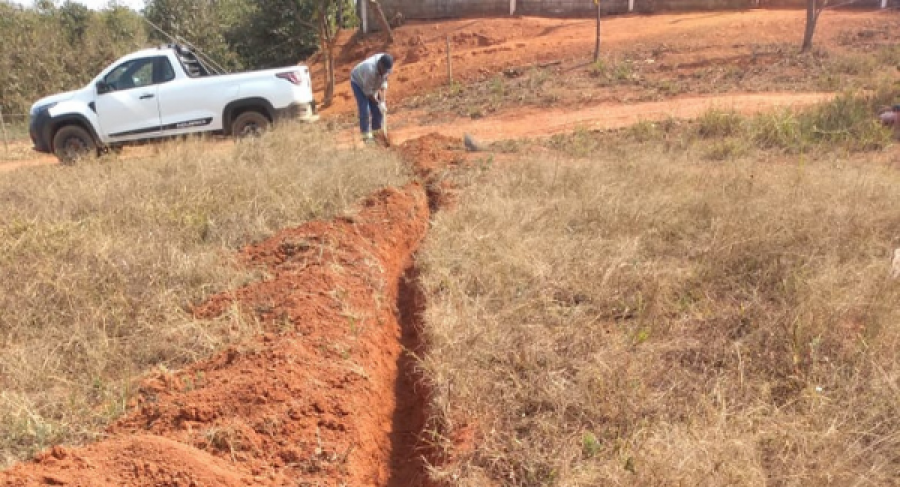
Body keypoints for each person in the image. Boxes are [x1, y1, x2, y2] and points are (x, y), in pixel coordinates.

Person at [350, 53, 393, 144]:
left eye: (387, 71)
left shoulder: (385, 68)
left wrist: (382, 101)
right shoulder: (370, 70)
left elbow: (383, 83)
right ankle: (366, 138)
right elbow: (368, 92)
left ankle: (376, 135)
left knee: (377, 111)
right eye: (385, 70)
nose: (386, 72)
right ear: (380, 65)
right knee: (365, 109)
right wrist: (378, 103)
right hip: (358, 82)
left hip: (371, 83)